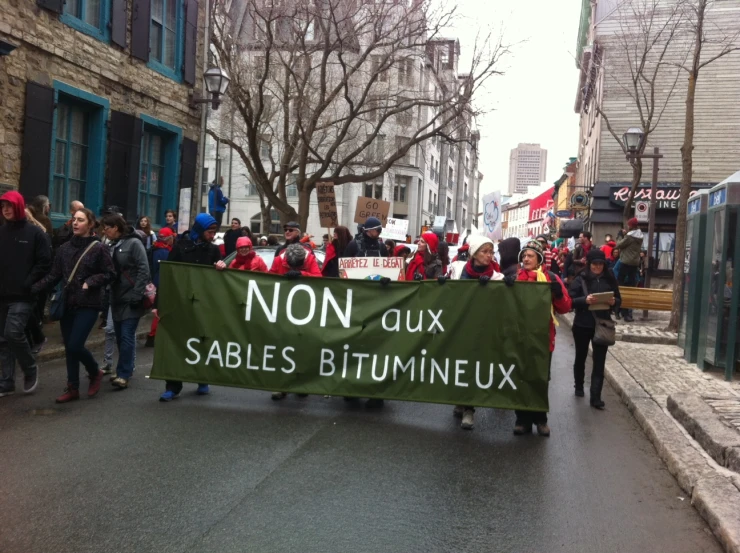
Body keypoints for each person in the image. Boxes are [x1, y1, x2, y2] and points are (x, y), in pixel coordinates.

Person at [32, 208, 117, 403]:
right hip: (68, 303)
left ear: (90, 224)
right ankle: (72, 387)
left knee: (75, 344)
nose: (76, 223)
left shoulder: (98, 248)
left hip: (89, 304)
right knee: (70, 348)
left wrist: (91, 281)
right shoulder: (64, 248)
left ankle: (94, 371)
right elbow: (54, 276)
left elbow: (110, 273)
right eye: (74, 219)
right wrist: (31, 289)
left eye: (80, 220)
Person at [159, 213, 226, 401]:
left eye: (214, 232)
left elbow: (217, 280)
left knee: (201, 341)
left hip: (202, 304)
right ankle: (173, 386)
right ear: (200, 229)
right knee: (176, 343)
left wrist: (221, 268)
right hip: (179, 302)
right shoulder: (180, 246)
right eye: (210, 231)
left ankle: (201, 378)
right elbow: (168, 273)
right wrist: (160, 303)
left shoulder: (213, 250)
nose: (212, 235)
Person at [513, 239, 572, 437]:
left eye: (530, 255)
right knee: (522, 377)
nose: (526, 258)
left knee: (540, 378)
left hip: (543, 337)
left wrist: (557, 295)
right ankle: (522, 419)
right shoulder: (515, 277)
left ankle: (540, 419)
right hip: (520, 337)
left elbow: (565, 307)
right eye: (524, 255)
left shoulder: (551, 278)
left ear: (539, 258)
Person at [0, 192, 52, 398]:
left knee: (13, 332)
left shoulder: (35, 233)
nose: (5, 210)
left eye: (9, 206)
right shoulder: (1, 232)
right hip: (2, 294)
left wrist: (29, 282)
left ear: (19, 207)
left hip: (24, 294)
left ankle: (30, 368)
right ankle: (6, 381)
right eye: (3, 206)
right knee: (3, 340)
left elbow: (44, 262)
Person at [454, 235, 508, 429]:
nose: (489, 255)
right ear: (474, 254)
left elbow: (502, 302)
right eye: (484, 252)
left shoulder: (497, 276)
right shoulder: (458, 270)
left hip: (483, 329)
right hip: (461, 326)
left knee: (474, 367)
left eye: (491, 252)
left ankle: (470, 409)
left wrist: (500, 287)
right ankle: (460, 400)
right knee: (459, 365)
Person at [101, 214, 151, 389]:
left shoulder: (134, 243)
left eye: (107, 227)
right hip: (116, 297)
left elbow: (144, 269)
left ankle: (124, 374)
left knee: (127, 335)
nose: (104, 231)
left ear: (116, 227)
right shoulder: (111, 245)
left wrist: (137, 295)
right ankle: (124, 368)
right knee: (120, 336)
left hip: (131, 298)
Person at [569, 249, 620, 409]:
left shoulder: (609, 278)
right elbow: (570, 300)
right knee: (581, 356)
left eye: (600, 264)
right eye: (594, 264)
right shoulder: (581, 279)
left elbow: (619, 300)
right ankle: (578, 385)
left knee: (599, 362)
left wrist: (614, 302)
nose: (598, 267)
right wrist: (585, 300)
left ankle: (596, 396)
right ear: (589, 264)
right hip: (583, 324)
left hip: (602, 324)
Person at [269, 243, 319, 401]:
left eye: (299, 265)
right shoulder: (278, 260)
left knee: (302, 349)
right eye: (293, 266)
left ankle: (301, 384)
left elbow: (319, 278)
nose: (296, 268)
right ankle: (280, 386)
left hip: (304, 309)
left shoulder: (310, 259)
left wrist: (302, 274)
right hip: (283, 309)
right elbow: (269, 279)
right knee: (282, 347)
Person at [146, 227, 176, 347]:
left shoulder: (154, 249)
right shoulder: (165, 252)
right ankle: (153, 336)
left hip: (155, 284)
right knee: (159, 312)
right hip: (161, 285)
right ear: (168, 238)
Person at [616, 218, 643, 322]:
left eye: (628, 225)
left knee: (620, 286)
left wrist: (619, 236)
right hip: (634, 264)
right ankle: (627, 313)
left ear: (631, 226)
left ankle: (620, 310)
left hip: (625, 262)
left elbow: (619, 245)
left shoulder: (629, 237)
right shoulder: (639, 235)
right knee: (631, 287)